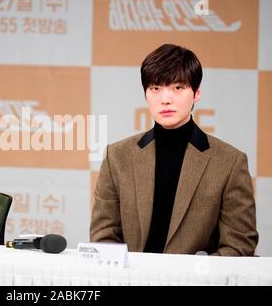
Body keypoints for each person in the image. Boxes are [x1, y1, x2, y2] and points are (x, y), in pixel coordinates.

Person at [90, 44, 258, 255]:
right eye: (155, 88)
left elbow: (239, 245)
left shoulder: (230, 163)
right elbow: (103, 237)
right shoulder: (117, 156)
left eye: (177, 88)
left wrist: (193, 275)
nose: (165, 99)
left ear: (196, 93)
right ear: (145, 94)